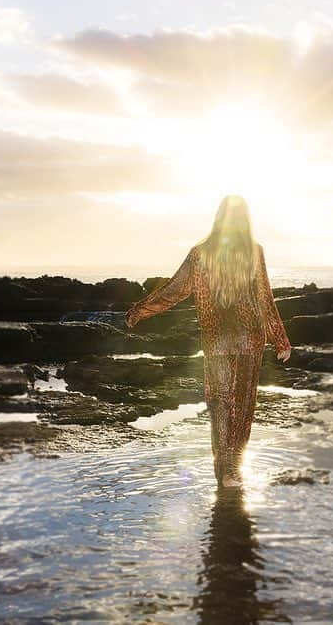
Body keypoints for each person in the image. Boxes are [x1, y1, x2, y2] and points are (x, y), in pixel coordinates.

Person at [125, 195, 292, 489]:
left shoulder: (200, 253)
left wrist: (140, 310)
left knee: (219, 404)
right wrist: (281, 339)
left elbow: (174, 291)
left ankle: (225, 472)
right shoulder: (254, 251)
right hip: (250, 339)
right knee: (242, 406)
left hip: (217, 340)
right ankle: (233, 471)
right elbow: (265, 298)